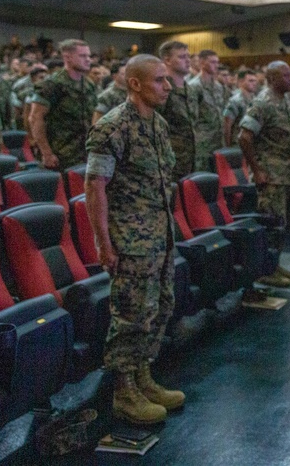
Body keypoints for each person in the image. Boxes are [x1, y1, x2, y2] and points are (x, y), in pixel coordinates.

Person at [85, 54, 184, 425]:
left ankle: (143, 375)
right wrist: (104, 244)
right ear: (136, 84)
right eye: (160, 80)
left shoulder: (157, 124)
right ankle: (124, 390)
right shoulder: (112, 128)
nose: (168, 86)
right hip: (131, 240)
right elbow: (94, 188)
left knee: (159, 308)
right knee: (130, 315)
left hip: (159, 235)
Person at [237, 61, 290, 288]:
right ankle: (265, 269)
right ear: (273, 79)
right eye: (285, 76)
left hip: (288, 173)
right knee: (272, 225)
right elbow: (244, 137)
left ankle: (274, 264)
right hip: (272, 176)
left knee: (285, 225)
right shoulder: (263, 103)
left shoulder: (284, 100)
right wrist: (257, 170)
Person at [28, 39, 98, 170]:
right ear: (68, 57)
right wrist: (46, 153)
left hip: (85, 153)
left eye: (89, 56)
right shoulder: (52, 84)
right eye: (83, 56)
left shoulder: (88, 84)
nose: (88, 60)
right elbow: (35, 118)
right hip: (60, 153)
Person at [157, 41, 200, 182]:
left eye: (188, 56)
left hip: (192, 158)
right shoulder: (161, 89)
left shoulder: (192, 90)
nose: (188, 60)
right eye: (182, 57)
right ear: (167, 60)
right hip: (169, 162)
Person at [187, 50, 227, 172]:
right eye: (213, 62)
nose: (216, 65)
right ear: (202, 63)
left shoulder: (218, 87)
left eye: (217, 62)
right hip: (203, 142)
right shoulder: (194, 86)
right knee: (203, 176)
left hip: (218, 139)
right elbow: (192, 117)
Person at [223, 69, 259, 146]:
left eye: (255, 81)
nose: (254, 84)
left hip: (252, 143)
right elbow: (227, 125)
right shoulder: (235, 101)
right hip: (238, 144)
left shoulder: (256, 99)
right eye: (250, 81)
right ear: (241, 82)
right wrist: (228, 146)